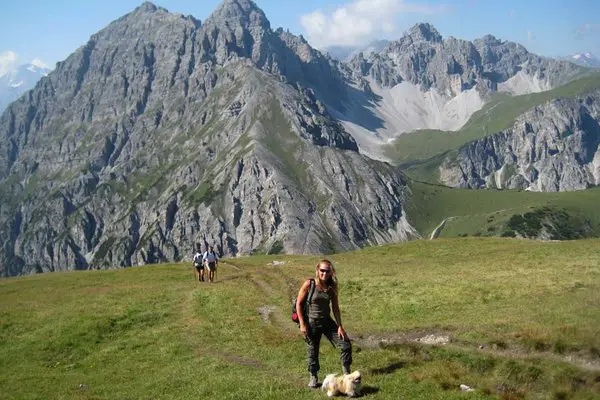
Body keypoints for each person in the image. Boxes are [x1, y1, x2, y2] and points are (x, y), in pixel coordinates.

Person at [296, 259, 352, 389]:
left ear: (331, 272)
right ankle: (313, 376)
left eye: (328, 271)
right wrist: (302, 324)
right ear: (317, 270)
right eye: (322, 270)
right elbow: (299, 303)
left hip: (327, 321)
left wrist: (340, 327)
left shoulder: (331, 287)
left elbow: (336, 308)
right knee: (312, 350)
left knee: (345, 344)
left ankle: (346, 375)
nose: (325, 273)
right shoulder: (309, 284)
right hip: (311, 322)